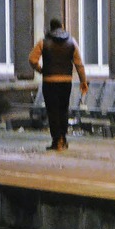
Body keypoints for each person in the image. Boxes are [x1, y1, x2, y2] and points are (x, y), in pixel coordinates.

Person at [28, 18, 88, 151]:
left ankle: (56, 141)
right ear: (62, 26)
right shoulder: (72, 42)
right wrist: (83, 81)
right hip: (66, 81)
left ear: (50, 28)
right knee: (63, 110)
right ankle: (64, 139)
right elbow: (79, 64)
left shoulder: (43, 43)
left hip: (49, 81)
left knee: (53, 111)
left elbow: (32, 59)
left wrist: (41, 70)